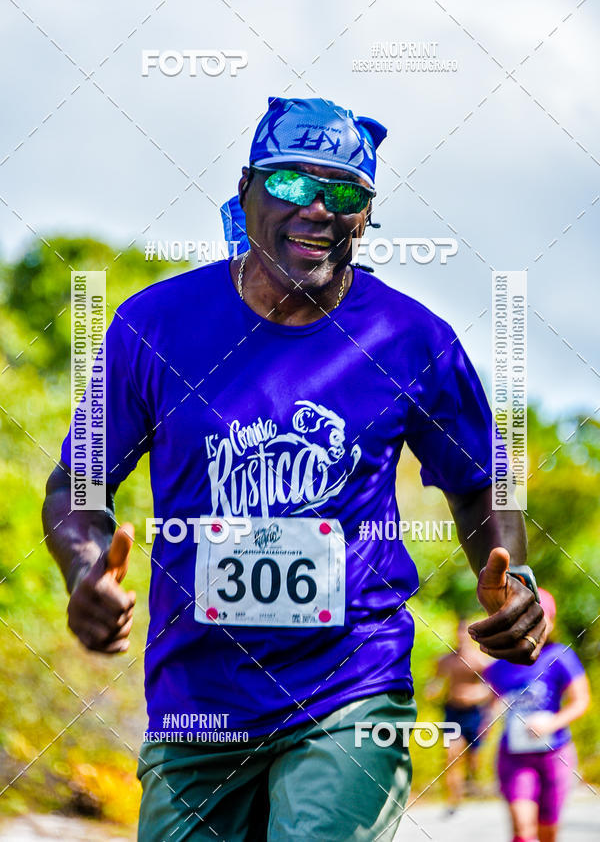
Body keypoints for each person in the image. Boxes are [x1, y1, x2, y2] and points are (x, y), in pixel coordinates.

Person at [42, 95, 547, 841]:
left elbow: (480, 478)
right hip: (196, 698)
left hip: (350, 686)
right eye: (289, 184)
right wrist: (83, 566)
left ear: (365, 217)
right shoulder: (154, 326)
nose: (316, 208)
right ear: (245, 191)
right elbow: (77, 485)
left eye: (343, 192)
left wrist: (513, 579)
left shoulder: (410, 338)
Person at [483, 588, 590, 842]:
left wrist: (553, 722)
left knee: (547, 831)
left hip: (555, 754)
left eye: (540, 620)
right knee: (522, 828)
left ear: (550, 622)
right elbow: (490, 701)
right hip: (514, 756)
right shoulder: (501, 665)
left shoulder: (560, 656)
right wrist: (484, 723)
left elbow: (581, 700)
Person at [426, 618, 493, 813]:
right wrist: (432, 690)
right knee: (451, 754)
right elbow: (435, 682)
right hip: (452, 711)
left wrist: (481, 696)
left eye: (465, 633)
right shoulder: (445, 660)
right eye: (458, 632)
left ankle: (473, 781)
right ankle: (453, 800)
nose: (460, 637)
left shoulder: (480, 660)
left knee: (474, 759)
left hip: (475, 713)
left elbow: (494, 688)